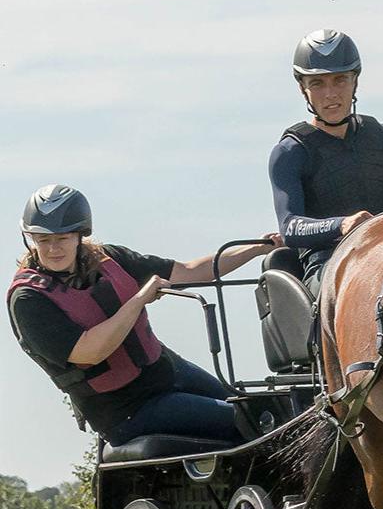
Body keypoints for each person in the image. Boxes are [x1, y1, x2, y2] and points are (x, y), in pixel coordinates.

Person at [7, 184, 282, 447]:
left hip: (167, 370)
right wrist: (139, 299)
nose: (53, 249)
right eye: (44, 240)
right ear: (31, 239)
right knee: (245, 423)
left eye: (62, 238)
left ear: (80, 235)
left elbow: (190, 271)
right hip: (126, 409)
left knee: (264, 414)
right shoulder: (29, 300)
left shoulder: (110, 259)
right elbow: (89, 352)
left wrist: (258, 248)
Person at [268, 29, 383, 295]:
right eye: (318, 83)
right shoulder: (289, 152)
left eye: (340, 80)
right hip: (328, 265)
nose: (331, 93)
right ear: (302, 89)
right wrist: (341, 225)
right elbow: (289, 226)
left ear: (355, 81)